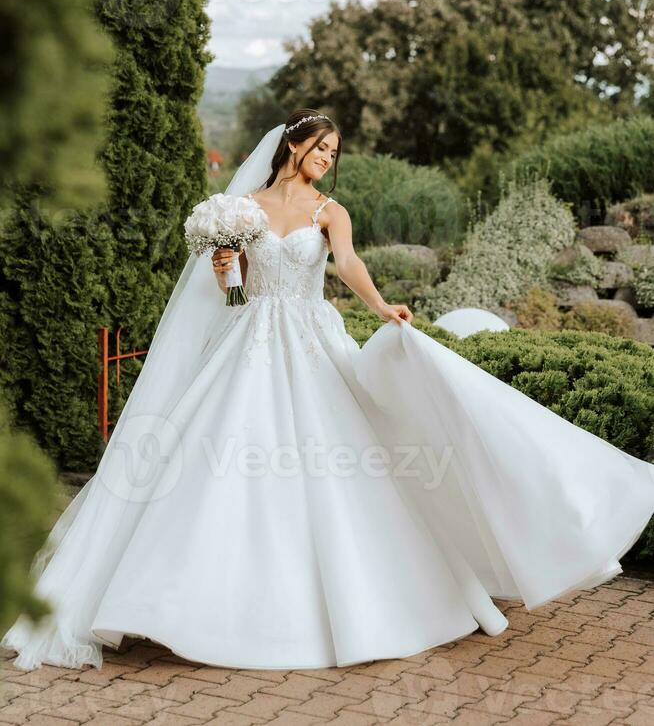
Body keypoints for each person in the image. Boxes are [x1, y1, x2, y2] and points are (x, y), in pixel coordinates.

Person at [2, 109, 653, 672]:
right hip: (248, 341)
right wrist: (226, 270)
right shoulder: (243, 209)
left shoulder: (329, 212)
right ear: (293, 147)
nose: (327, 160)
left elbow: (347, 264)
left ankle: (367, 602)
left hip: (312, 339)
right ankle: (182, 602)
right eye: (321, 149)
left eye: (334, 154)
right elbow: (231, 294)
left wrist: (381, 306)